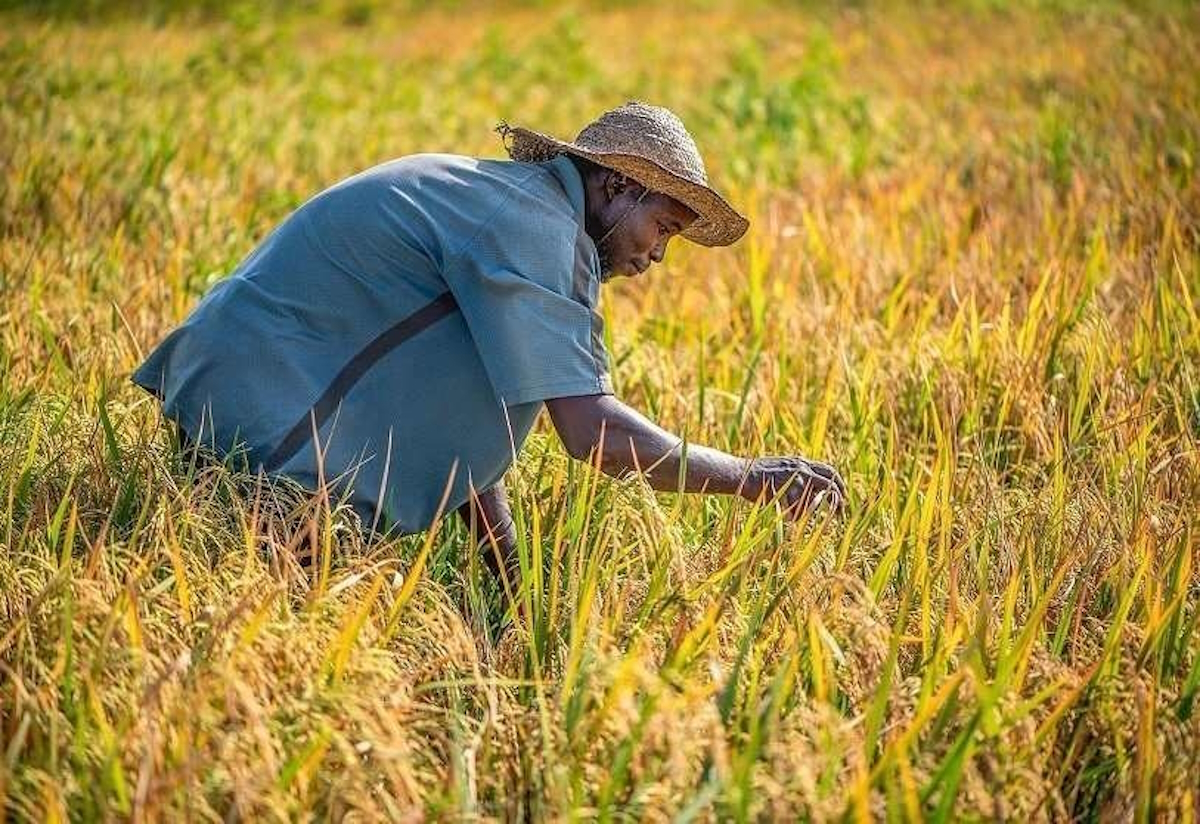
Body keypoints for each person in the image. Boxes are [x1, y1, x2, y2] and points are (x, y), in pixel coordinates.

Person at [131, 101, 846, 577]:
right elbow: (592, 433)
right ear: (617, 187)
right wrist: (751, 478)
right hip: (265, 432)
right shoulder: (536, 229)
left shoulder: (512, 208)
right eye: (662, 227)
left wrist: (509, 591)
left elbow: (471, 425)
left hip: (227, 396)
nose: (658, 255)